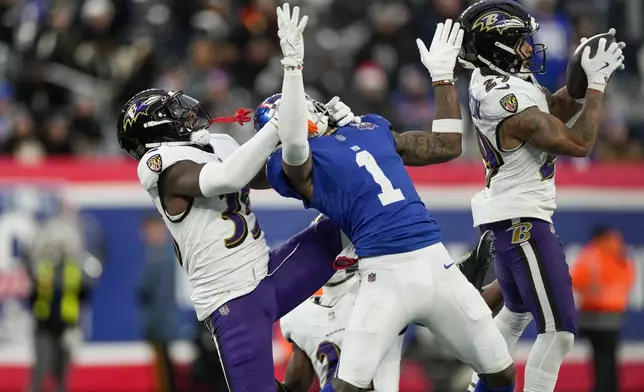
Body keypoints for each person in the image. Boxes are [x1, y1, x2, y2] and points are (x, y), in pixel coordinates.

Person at [260, 5, 515, 392]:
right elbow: (294, 144)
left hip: (434, 257)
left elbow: (446, 145)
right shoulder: (296, 163)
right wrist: (293, 69)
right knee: (352, 387)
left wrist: (443, 79)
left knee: (501, 374)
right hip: (384, 271)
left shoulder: (370, 127)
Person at [116, 45, 345, 392]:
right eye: (172, 112)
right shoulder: (158, 165)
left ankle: (361, 323)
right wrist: (274, 130)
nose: (185, 113)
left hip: (268, 273)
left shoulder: (215, 144)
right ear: (155, 131)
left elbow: (266, 175)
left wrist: (325, 136)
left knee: (349, 224)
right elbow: (226, 179)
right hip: (232, 303)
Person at [456, 1, 626, 391]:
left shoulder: (499, 82)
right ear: (496, 47)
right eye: (520, 41)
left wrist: (581, 74)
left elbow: (556, 108)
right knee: (559, 331)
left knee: (515, 315)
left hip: (512, 217)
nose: (530, 49)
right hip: (521, 220)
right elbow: (579, 142)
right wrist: (597, 86)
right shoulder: (505, 99)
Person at [280, 216, 499, 392]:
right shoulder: (299, 315)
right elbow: (293, 386)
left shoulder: (382, 287)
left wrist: (506, 284)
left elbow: (463, 315)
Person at [571, 227, 634, 392]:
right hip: (614, 317)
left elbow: (576, 280)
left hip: (592, 316)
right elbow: (629, 279)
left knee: (600, 359)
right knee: (611, 357)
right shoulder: (621, 254)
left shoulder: (589, 255)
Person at [137, 215, 179, 392]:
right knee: (164, 367)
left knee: (164, 371)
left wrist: (155, 325)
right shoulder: (158, 256)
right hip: (160, 324)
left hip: (161, 325)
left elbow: (147, 290)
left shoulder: (161, 258)